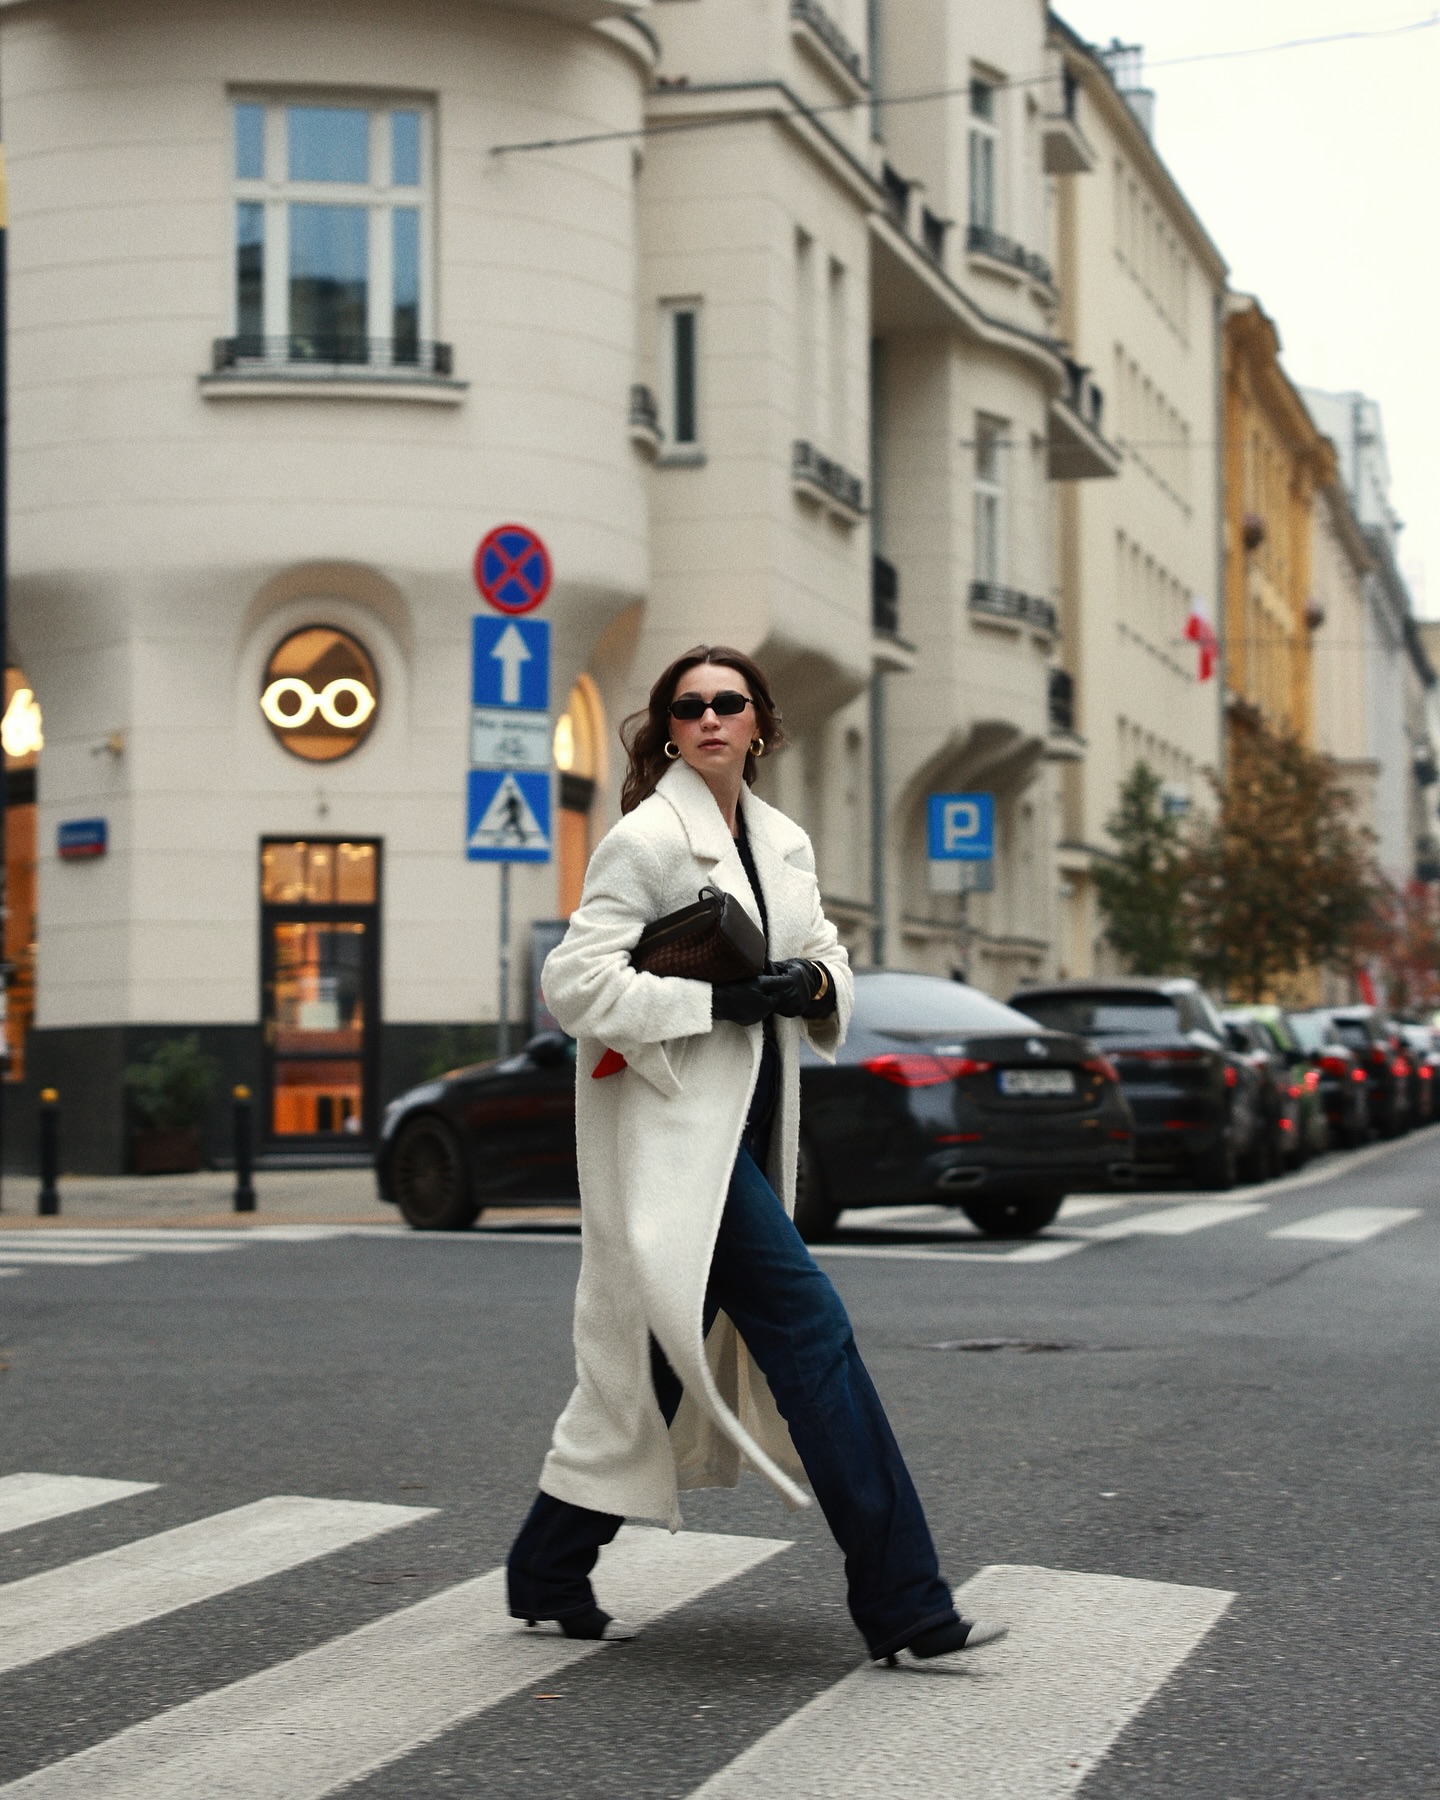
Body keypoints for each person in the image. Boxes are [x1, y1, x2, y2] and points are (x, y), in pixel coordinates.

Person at [506, 645, 1005, 1664]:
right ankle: (908, 1602)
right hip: (675, 1137)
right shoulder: (646, 839)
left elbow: (826, 950)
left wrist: (811, 991)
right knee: (811, 1327)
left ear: (759, 722)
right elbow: (576, 985)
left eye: (728, 703)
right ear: (670, 728)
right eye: (688, 708)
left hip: (747, 1130)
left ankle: (548, 1564)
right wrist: (714, 1000)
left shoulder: (780, 840)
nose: (709, 720)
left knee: (658, 1363)